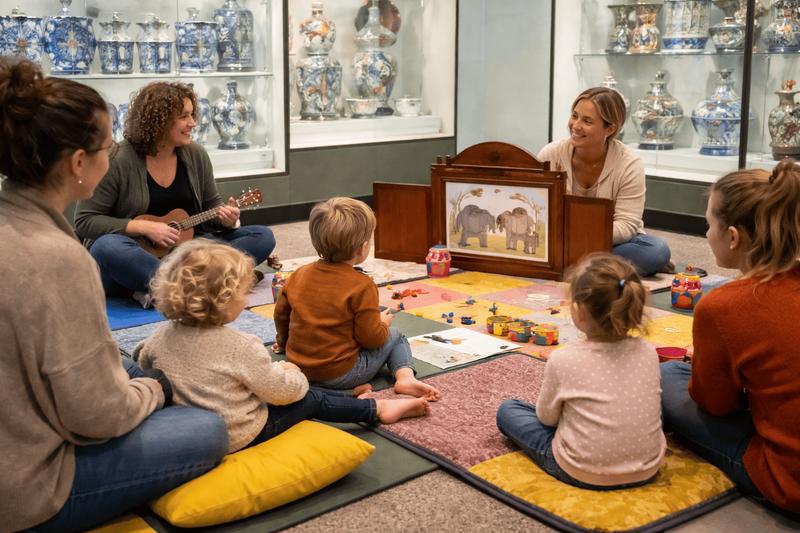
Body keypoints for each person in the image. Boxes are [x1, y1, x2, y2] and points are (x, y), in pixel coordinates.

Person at [0, 58, 228, 533]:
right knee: (207, 428)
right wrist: (155, 389)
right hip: (26, 489)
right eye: (106, 149)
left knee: (125, 360)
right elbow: (98, 416)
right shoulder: (60, 258)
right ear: (79, 163)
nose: (111, 158)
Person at [135, 239, 430, 453]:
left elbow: (143, 361)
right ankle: (376, 409)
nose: (248, 298)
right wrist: (292, 371)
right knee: (309, 398)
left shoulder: (159, 336)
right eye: (243, 292)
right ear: (224, 300)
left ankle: (350, 394)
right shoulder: (240, 346)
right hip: (241, 432)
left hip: (191, 428)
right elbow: (284, 392)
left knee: (260, 384)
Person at [660, 161, 800, 515]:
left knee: (667, 377)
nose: (706, 234)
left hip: (788, 482)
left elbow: (717, 405)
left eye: (709, 224)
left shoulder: (723, 306)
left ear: (733, 236)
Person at [74, 81, 275, 306]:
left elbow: (211, 209)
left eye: (192, 115)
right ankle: (211, 283)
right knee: (107, 247)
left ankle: (164, 289)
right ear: (158, 121)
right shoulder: (119, 159)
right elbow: (85, 221)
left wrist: (226, 220)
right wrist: (145, 227)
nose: (193, 123)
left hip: (182, 252)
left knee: (262, 236)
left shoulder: (195, 155)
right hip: (133, 255)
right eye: (184, 117)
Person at [497, 253, 665, 489]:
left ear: (579, 311)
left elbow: (546, 418)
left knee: (509, 410)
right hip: (647, 469)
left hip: (581, 471)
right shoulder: (648, 351)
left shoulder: (564, 358)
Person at [273, 197, 440, 400]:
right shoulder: (362, 285)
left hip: (298, 366)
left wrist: (282, 343)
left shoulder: (299, 274)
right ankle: (405, 377)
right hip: (341, 374)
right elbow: (371, 339)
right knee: (396, 336)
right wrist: (382, 324)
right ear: (362, 248)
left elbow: (281, 315)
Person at [538, 87, 671, 276]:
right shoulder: (550, 154)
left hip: (609, 240)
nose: (575, 125)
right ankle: (601, 267)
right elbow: (537, 211)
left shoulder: (630, 164)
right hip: (559, 239)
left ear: (610, 129)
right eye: (574, 116)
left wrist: (580, 237)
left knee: (656, 251)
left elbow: (627, 225)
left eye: (587, 121)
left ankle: (575, 262)